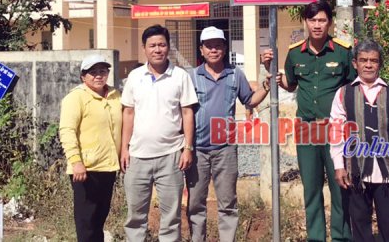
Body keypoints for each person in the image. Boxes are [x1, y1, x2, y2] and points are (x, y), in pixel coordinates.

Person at [263, 0, 355, 242]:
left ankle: (341, 237)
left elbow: (353, 88)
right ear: (305, 22)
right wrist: (268, 68)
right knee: (311, 188)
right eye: (312, 20)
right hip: (306, 128)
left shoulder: (343, 52)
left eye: (322, 20)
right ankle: (316, 238)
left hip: (335, 129)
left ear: (330, 23)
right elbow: (290, 84)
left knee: (340, 187)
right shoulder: (295, 54)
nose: (317, 25)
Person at [187, 26, 272, 242]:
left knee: (227, 203)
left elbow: (250, 100)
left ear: (224, 48)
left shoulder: (235, 75)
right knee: (196, 203)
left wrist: (266, 87)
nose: (214, 50)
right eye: (209, 46)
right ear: (202, 49)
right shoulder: (191, 77)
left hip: (226, 149)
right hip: (197, 151)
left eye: (218, 45)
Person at [121, 24, 198, 242]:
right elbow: (128, 113)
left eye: (162, 45)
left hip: (171, 156)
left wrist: (188, 148)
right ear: (144, 48)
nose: (158, 49)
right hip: (137, 157)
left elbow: (187, 113)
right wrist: (124, 148)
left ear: (168, 47)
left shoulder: (180, 76)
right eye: (152, 45)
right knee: (135, 217)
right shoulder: (135, 77)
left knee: (171, 217)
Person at [331, 38, 389, 242]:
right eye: (363, 60)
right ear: (355, 63)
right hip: (355, 173)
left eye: (373, 61)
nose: (368, 65)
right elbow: (336, 132)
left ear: (380, 63)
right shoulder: (343, 93)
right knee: (359, 228)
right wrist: (338, 166)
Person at [59, 54, 122, 242]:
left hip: (109, 166)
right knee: (86, 221)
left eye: (102, 71)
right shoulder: (75, 98)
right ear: (83, 76)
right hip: (85, 169)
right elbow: (67, 130)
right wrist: (76, 162)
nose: (98, 76)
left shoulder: (115, 95)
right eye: (93, 72)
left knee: (99, 219)